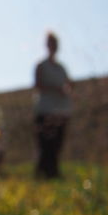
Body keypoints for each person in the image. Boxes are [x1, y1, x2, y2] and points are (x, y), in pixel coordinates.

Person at [33, 31, 72, 179]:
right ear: (47, 45)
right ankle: (42, 175)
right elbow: (37, 85)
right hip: (45, 110)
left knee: (56, 145)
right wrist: (56, 89)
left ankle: (53, 173)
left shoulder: (62, 68)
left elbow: (69, 84)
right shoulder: (41, 66)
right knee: (45, 145)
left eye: (55, 44)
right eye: (51, 43)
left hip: (62, 111)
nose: (53, 47)